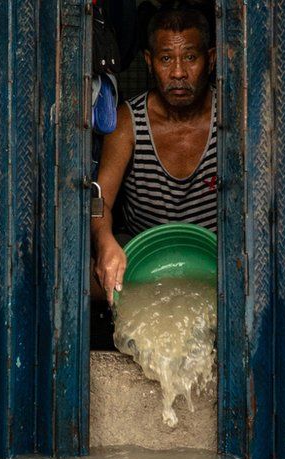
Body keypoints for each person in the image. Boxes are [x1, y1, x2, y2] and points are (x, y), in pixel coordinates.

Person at [92, 5, 217, 304]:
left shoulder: (230, 119)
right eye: (165, 58)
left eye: (190, 57)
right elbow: (99, 200)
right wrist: (104, 240)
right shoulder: (128, 121)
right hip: (143, 264)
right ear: (149, 62)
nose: (178, 72)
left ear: (210, 59)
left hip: (214, 264)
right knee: (77, 280)